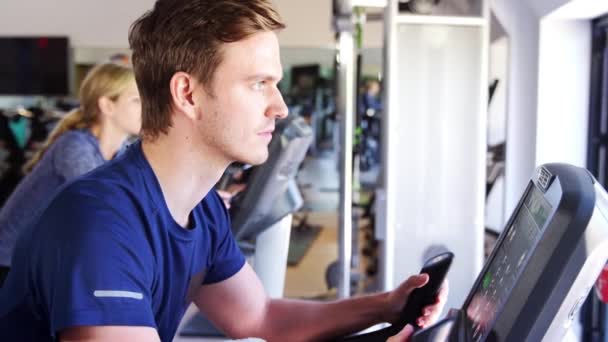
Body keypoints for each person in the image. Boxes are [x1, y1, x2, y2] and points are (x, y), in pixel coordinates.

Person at [0, 1, 447, 341]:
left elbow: (260, 316)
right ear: (188, 95)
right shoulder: (101, 225)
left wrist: (386, 307)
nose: (281, 107)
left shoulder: (203, 209)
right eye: (258, 84)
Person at [0, 62, 141, 286]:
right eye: (136, 100)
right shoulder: (74, 146)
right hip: (11, 265)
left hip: (46, 263)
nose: (147, 107)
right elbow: (107, 208)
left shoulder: (122, 153)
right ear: (107, 105)